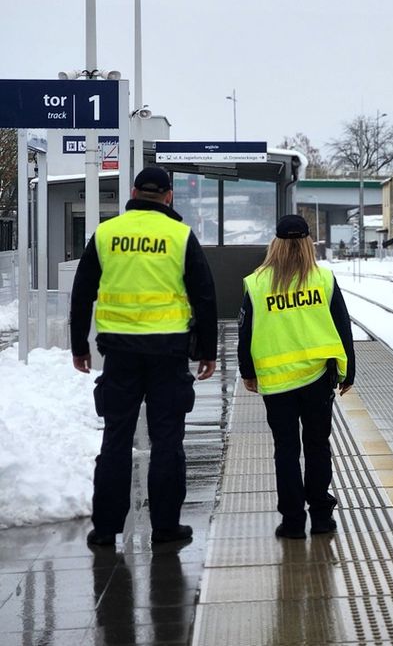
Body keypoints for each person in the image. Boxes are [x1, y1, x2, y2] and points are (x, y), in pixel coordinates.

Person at [71, 166, 218, 547]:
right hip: (169, 353)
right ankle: (166, 527)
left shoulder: (106, 233)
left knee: (116, 438)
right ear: (169, 196)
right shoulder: (180, 236)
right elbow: (204, 295)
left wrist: (79, 345)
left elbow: (82, 291)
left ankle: (106, 528)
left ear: (134, 193)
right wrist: (208, 351)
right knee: (167, 439)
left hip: (119, 353)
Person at [237, 214, 355, 539]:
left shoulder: (257, 283)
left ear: (274, 244)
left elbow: (245, 331)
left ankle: (292, 522)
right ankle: (321, 517)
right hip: (317, 378)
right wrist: (348, 373)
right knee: (317, 445)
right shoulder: (324, 279)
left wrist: (248, 371)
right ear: (307, 244)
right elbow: (342, 327)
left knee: (286, 450)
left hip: (276, 382)